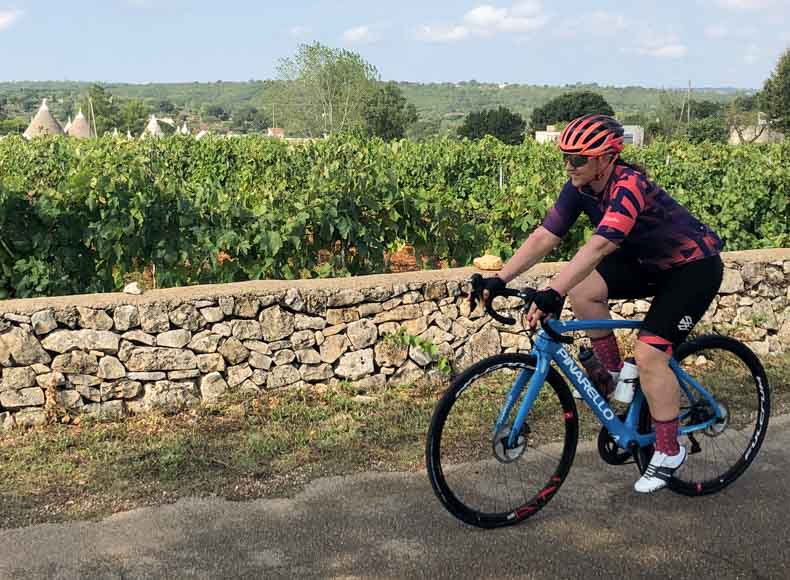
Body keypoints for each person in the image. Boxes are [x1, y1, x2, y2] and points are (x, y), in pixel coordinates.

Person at [477, 114, 723, 493]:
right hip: (647, 264)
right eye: (565, 157)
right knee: (584, 289)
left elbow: (601, 245)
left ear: (606, 158)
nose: (569, 166)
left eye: (578, 159)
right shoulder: (580, 186)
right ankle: (611, 375)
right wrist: (501, 277)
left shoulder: (629, 185)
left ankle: (670, 450)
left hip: (692, 267)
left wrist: (552, 290)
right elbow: (545, 235)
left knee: (650, 355)